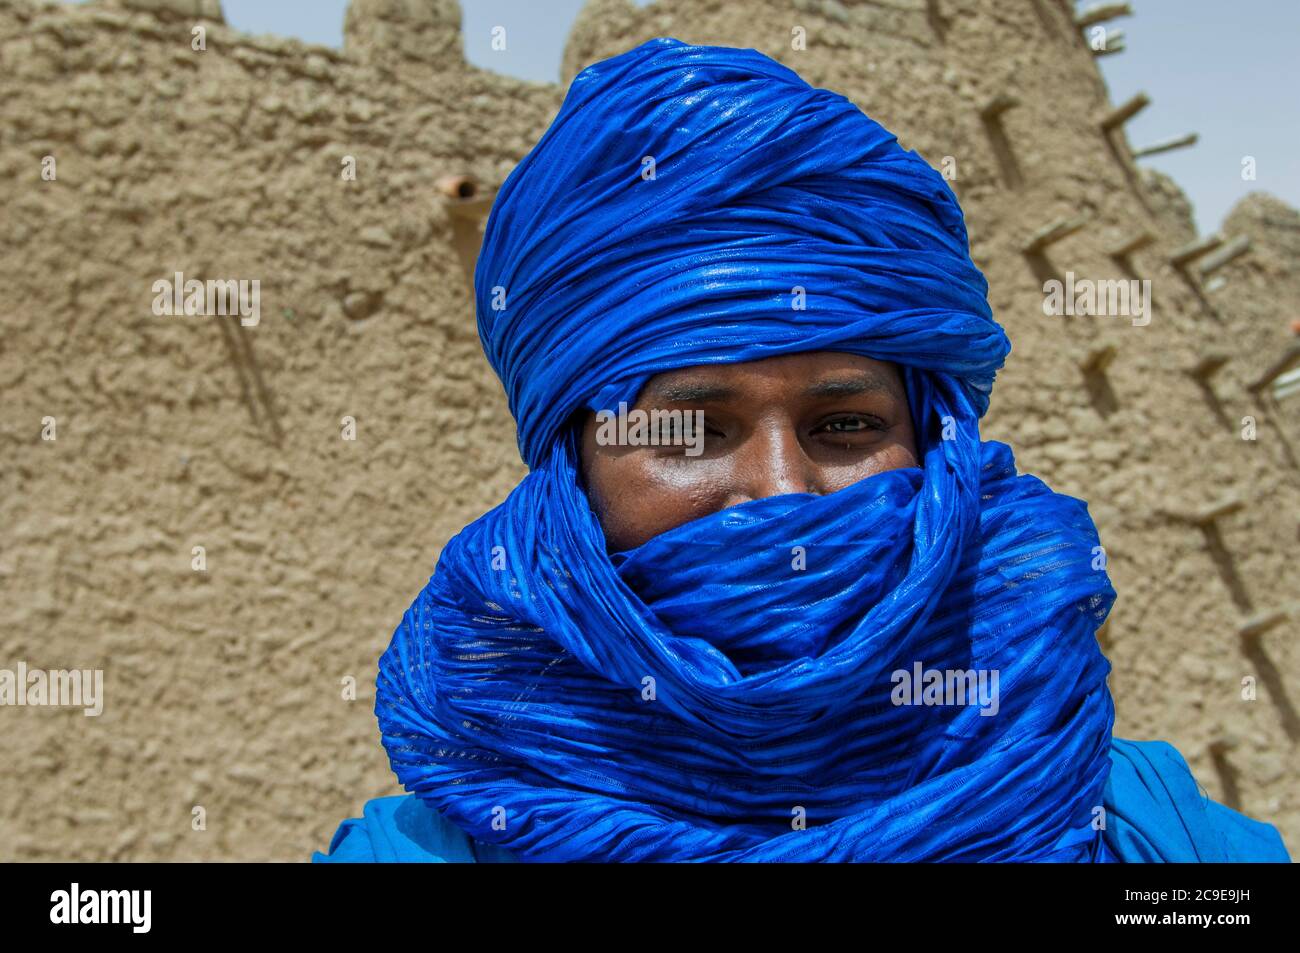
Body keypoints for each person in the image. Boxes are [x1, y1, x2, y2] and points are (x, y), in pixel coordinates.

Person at [314, 38, 1290, 863]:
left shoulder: (1158, 838)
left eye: (846, 426)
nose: (783, 494)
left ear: (940, 449)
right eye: (689, 432)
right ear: (570, 478)